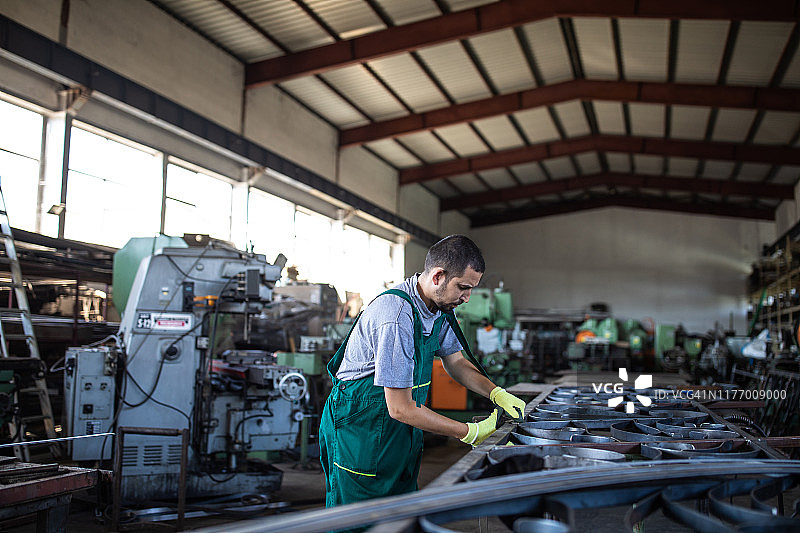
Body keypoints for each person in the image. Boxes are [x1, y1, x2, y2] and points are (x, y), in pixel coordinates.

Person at [319, 234, 526, 514]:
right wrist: (469, 432)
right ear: (438, 276)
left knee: (399, 511)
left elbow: (456, 362)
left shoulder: (437, 308)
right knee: (360, 517)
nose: (467, 298)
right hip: (363, 428)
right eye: (463, 287)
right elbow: (400, 408)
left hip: (399, 430)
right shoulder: (396, 315)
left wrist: (496, 393)